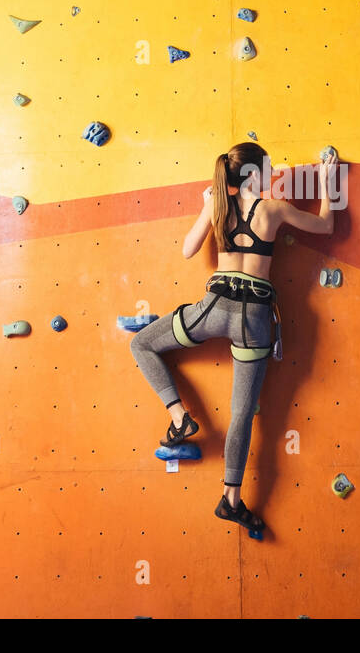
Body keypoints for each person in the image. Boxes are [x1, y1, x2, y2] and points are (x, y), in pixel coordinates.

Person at [130, 142, 341, 536]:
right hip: (255, 320)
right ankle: (230, 498)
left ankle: (180, 418)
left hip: (214, 309)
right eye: (270, 166)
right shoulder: (273, 209)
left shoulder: (218, 208)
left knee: (140, 343)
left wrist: (206, 207)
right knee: (243, 414)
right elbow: (326, 224)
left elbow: (188, 250)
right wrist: (328, 181)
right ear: (257, 174)